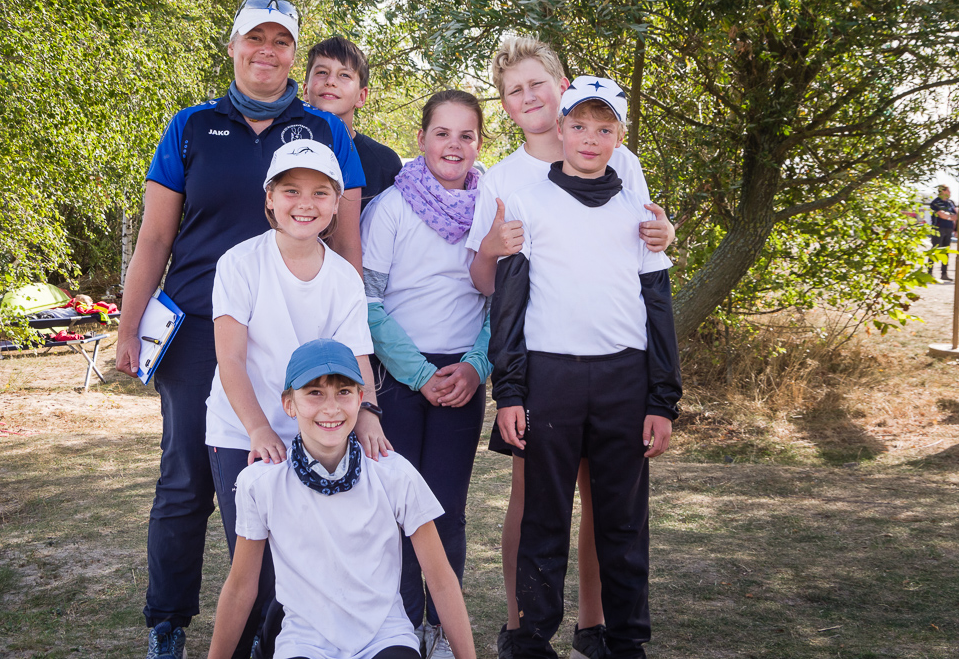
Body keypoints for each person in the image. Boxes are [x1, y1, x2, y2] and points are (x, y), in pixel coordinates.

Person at [115, 0, 373, 659]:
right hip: (198, 329)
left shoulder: (324, 129)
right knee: (185, 480)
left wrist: (346, 342)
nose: (267, 51)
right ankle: (168, 622)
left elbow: (347, 244)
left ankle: (273, 628)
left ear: (293, 54)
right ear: (232, 46)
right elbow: (154, 238)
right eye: (254, 38)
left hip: (294, 334)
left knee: (283, 480)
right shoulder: (191, 126)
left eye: (281, 41)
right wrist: (128, 326)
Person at [464, 36, 674, 659]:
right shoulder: (511, 187)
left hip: (619, 373)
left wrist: (662, 397)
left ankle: (606, 631)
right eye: (514, 90)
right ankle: (526, 633)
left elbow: (649, 271)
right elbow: (495, 289)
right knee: (539, 511)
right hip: (546, 370)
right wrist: (510, 388)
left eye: (537, 83)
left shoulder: (625, 172)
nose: (589, 137)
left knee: (615, 512)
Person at [208, 139, 383, 659]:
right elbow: (230, 358)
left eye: (320, 192)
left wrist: (369, 413)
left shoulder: (344, 277)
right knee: (255, 569)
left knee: (308, 568)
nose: (305, 203)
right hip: (242, 430)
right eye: (291, 190)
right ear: (269, 198)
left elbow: (357, 357)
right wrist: (259, 430)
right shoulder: (240, 263)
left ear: (336, 203)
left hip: (316, 435)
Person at [206, 339, 476, 659]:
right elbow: (240, 587)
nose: (331, 408)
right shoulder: (261, 483)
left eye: (344, 391)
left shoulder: (394, 474)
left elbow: (441, 580)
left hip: (384, 636)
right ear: (289, 404)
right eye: (314, 393)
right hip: (304, 641)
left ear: (361, 399)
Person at [361, 90, 490, 658]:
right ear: (421, 139)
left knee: (445, 510)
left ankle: (439, 626)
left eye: (466, 135)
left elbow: (504, 301)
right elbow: (367, 301)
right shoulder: (391, 207)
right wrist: (416, 373)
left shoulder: (492, 208)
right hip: (399, 376)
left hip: (462, 377)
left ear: (480, 143)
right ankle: (400, 625)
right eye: (442, 133)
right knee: (395, 508)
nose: (453, 145)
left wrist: (476, 365)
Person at [302, 36, 403, 211]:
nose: (330, 81)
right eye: (322, 72)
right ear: (305, 90)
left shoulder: (385, 162)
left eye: (344, 75)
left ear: (361, 96)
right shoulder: (286, 146)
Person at [927, 185, 956, 281]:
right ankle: (929, 272)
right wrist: (950, 217)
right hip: (938, 229)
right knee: (935, 250)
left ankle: (944, 274)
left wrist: (949, 216)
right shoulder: (935, 202)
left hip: (949, 229)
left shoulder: (951, 203)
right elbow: (941, 214)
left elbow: (956, 215)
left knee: (946, 252)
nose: (950, 193)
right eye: (948, 190)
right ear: (943, 191)